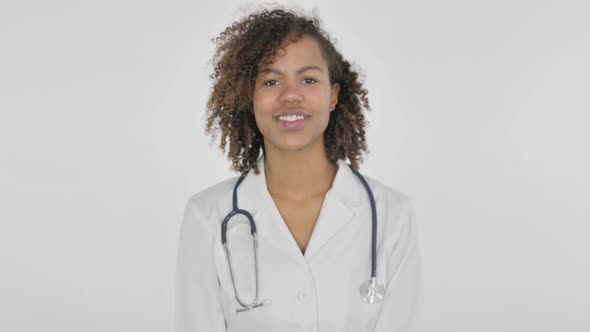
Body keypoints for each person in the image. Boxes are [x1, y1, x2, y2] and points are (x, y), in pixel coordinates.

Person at [175, 7, 421, 332]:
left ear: (333, 96)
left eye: (308, 79)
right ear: (249, 97)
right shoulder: (207, 216)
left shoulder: (392, 215)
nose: (291, 95)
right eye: (272, 81)